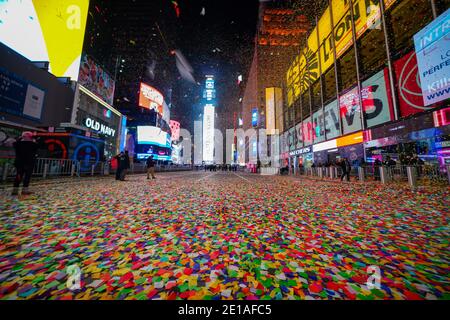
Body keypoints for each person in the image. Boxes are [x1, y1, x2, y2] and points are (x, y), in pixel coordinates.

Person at [12, 132, 39, 196]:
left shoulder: (18, 144)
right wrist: (34, 140)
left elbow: (14, 143)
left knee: (18, 176)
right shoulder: (33, 144)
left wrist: (20, 138)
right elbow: (37, 147)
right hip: (29, 163)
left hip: (19, 163)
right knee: (27, 176)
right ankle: (24, 190)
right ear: (31, 137)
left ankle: (15, 191)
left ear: (23, 137)